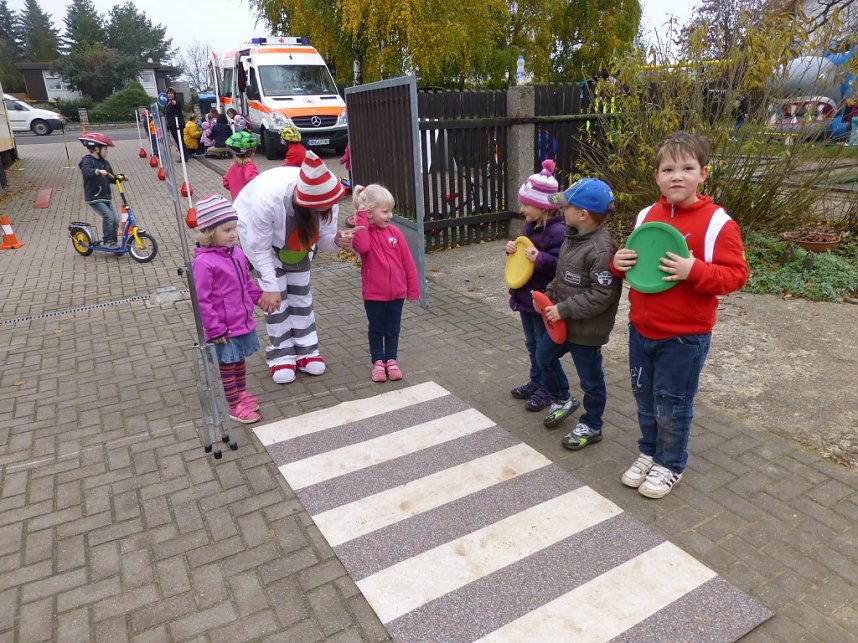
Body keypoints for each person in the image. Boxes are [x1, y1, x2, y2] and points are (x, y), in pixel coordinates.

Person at [611, 131, 748, 498]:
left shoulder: (718, 222)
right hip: (642, 329)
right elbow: (638, 265)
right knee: (644, 397)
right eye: (668, 168)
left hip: (684, 336)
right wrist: (619, 263)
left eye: (687, 168)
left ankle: (671, 464)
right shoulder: (646, 215)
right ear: (656, 175)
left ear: (704, 173)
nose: (677, 176)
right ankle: (650, 452)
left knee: (671, 403)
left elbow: (736, 276)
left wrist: (695, 271)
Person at [234, 151, 358, 384]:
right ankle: (281, 354)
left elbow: (325, 240)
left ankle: (307, 349)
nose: (329, 211)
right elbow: (259, 248)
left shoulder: (328, 194)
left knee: (301, 295)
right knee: (277, 300)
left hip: (299, 244)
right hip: (262, 241)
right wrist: (269, 286)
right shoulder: (267, 199)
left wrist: (337, 241)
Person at [535, 179, 622, 448]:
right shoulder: (570, 239)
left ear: (582, 214)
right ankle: (562, 397)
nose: (562, 211)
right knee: (543, 357)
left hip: (587, 331)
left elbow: (602, 295)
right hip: (562, 323)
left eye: (566, 207)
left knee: (591, 381)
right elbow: (562, 276)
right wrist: (549, 293)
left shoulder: (602, 250)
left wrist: (563, 309)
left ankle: (592, 424)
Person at [191, 195, 264, 424]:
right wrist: (215, 329)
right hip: (223, 328)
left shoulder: (237, 253)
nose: (233, 234)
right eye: (227, 230)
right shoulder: (203, 264)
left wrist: (259, 297)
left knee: (240, 360)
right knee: (227, 365)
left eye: (234, 228)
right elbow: (202, 300)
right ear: (210, 233)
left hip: (241, 321)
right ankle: (233, 405)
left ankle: (241, 394)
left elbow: (247, 282)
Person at [505, 159, 565, 412]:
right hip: (526, 297)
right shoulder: (530, 226)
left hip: (543, 299)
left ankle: (549, 390)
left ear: (543, 206)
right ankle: (536, 380)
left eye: (527, 204)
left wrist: (539, 259)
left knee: (544, 347)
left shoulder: (558, 232)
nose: (522, 209)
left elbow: (559, 265)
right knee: (532, 344)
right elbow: (523, 257)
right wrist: (512, 250)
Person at [350, 184, 419, 382]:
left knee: (393, 329)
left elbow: (407, 262)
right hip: (374, 295)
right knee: (377, 329)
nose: (390, 215)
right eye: (385, 211)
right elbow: (362, 247)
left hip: (396, 294)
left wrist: (412, 289)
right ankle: (377, 362)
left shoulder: (395, 233)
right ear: (370, 213)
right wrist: (361, 217)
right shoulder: (362, 233)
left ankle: (391, 359)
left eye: (391, 211)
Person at [78, 133, 120, 249]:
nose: (107, 151)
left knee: (115, 220)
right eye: (105, 149)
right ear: (96, 148)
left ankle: (114, 242)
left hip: (105, 196)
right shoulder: (88, 161)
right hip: (94, 197)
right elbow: (86, 171)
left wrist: (119, 177)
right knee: (108, 217)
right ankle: (107, 241)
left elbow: (111, 177)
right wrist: (97, 171)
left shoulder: (105, 163)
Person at [222, 131, 259, 201]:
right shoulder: (249, 165)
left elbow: (226, 182)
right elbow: (253, 180)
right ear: (250, 152)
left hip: (237, 202)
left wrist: (235, 188)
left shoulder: (233, 166)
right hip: (249, 202)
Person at [164, 87, 189, 161]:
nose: (170, 95)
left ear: (174, 94)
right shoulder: (167, 103)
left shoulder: (176, 102)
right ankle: (184, 155)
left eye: (171, 93)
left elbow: (179, 107)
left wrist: (175, 103)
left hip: (177, 125)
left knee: (179, 140)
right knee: (177, 141)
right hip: (171, 125)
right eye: (168, 93)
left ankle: (184, 157)